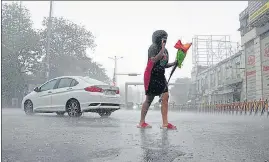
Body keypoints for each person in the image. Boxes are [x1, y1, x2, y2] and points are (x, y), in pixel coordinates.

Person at [137, 30, 177, 129]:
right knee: (149, 99)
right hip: (151, 75)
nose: (165, 39)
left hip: (161, 76)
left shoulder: (166, 51)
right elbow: (154, 60)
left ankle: (165, 123)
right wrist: (162, 49)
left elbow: (164, 64)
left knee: (165, 96)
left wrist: (174, 63)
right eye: (163, 37)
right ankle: (141, 122)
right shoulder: (153, 48)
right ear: (157, 38)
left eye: (166, 37)